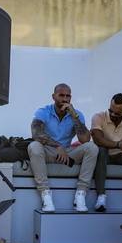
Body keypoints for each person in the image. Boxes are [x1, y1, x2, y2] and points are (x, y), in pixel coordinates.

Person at [28, 84, 99, 212]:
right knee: (34, 146)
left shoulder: (77, 114)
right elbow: (36, 134)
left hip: (66, 153)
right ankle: (45, 194)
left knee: (92, 147)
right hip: (49, 151)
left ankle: (80, 195)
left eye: (68, 96)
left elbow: (85, 140)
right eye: (61, 95)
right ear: (53, 96)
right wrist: (57, 145)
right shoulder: (43, 111)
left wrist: (74, 116)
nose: (65, 99)